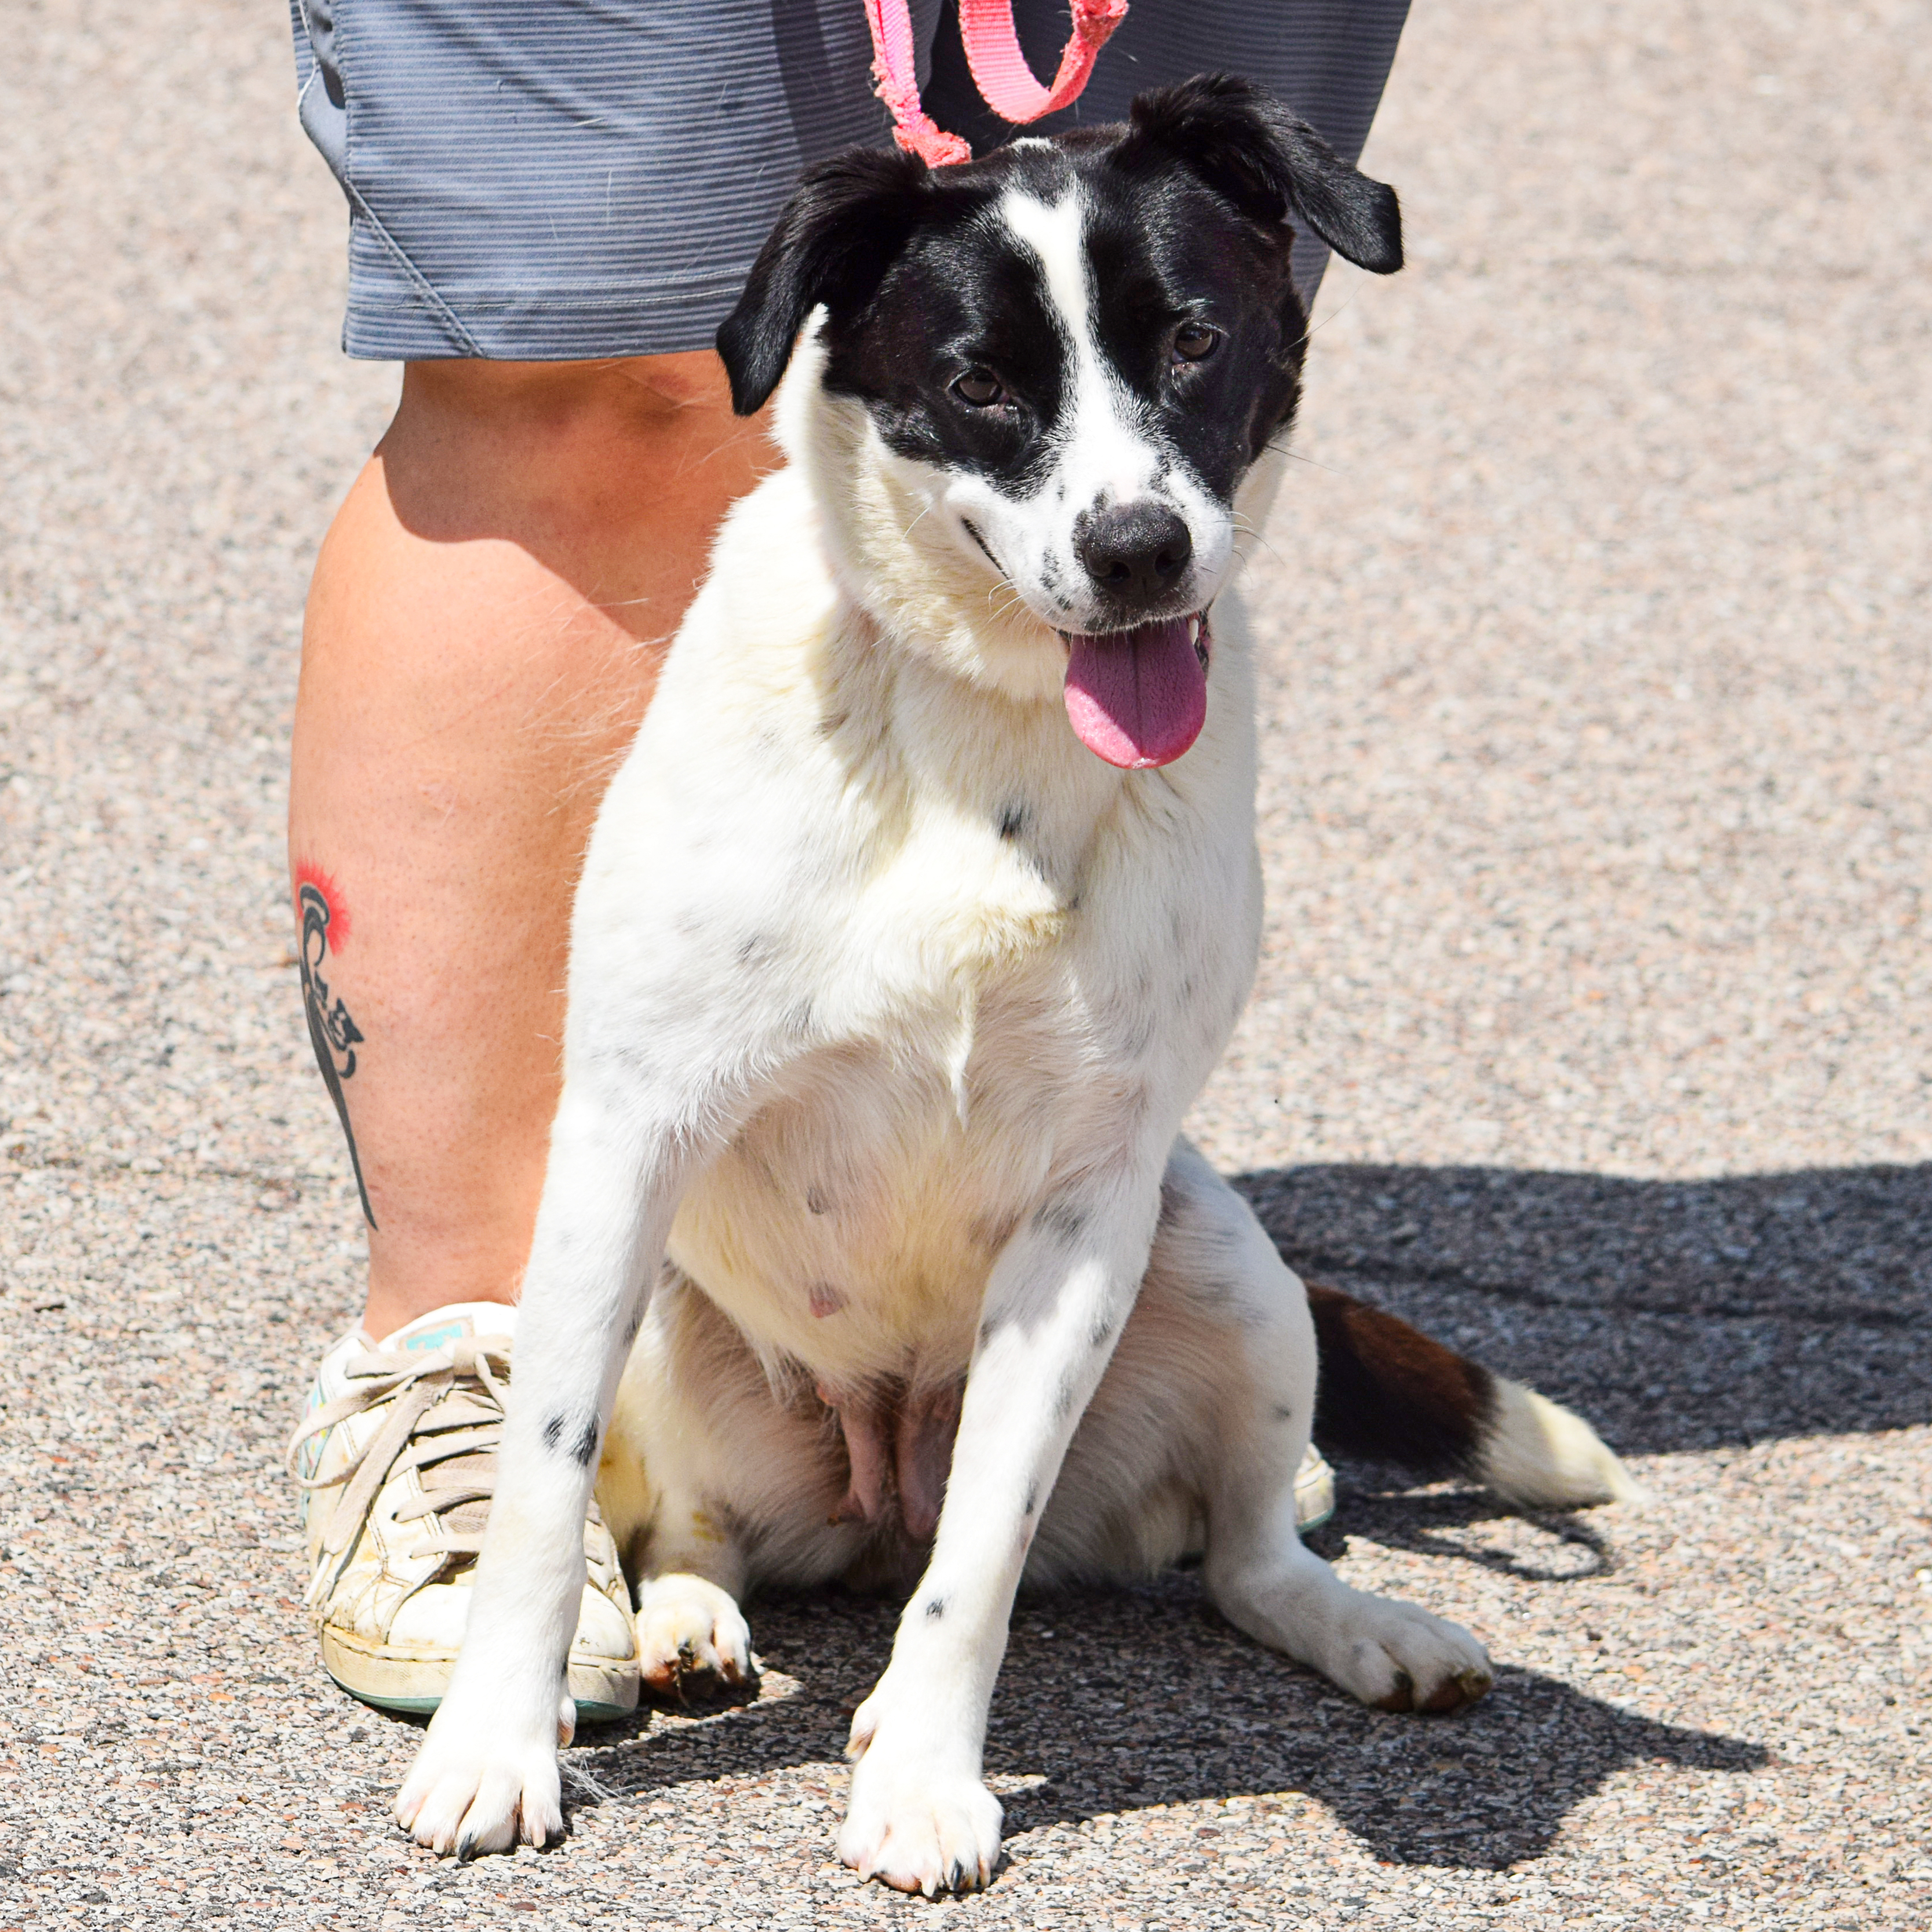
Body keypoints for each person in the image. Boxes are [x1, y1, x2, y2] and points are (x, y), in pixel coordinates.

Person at [284, 0, 1410, 1720]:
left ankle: (1236, 1541)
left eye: (1187, 353)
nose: (1128, 511)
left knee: (1122, 1170)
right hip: (743, 1327)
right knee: (567, 360)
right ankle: (461, 1367)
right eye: (983, 390)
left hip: (1011, 1314)